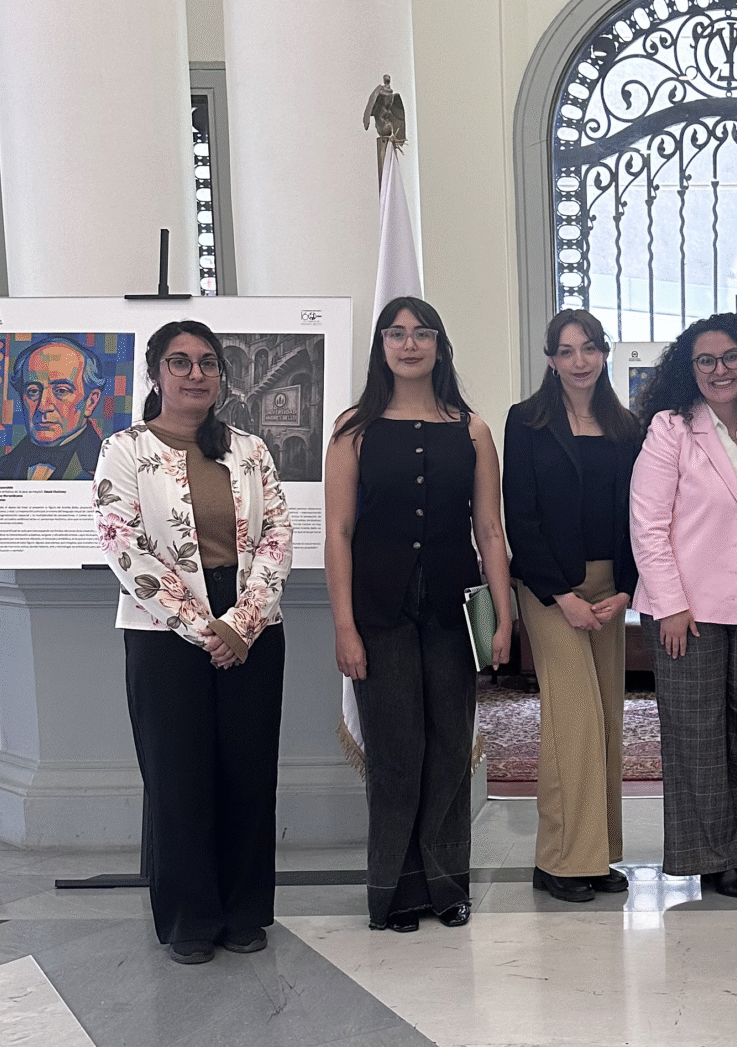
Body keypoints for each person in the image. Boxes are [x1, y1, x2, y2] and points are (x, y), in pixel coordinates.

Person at [92, 320, 291, 965]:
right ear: (156, 373)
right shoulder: (124, 450)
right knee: (178, 776)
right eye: (179, 363)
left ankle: (242, 914)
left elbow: (276, 537)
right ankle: (188, 920)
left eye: (207, 362)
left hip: (252, 627)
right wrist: (205, 628)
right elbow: (124, 545)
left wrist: (244, 622)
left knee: (248, 772)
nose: (195, 374)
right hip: (164, 634)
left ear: (222, 376)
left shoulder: (250, 450)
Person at [325, 297, 511, 933]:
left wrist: (504, 618)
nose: (409, 345)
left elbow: (489, 529)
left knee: (450, 749)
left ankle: (445, 883)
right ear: (381, 347)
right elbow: (338, 531)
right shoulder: (354, 429)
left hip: (452, 616)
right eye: (396, 334)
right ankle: (397, 891)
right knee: (396, 754)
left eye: (422, 333)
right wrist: (344, 627)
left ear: (439, 345)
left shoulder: (472, 428)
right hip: (378, 617)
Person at [629, 313, 737, 901]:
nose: (719, 370)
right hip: (687, 607)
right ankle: (712, 856)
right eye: (705, 360)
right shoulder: (671, 428)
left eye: (730, 358)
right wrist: (670, 605)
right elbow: (647, 525)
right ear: (688, 368)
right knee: (697, 732)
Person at [504, 309, 643, 902]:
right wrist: (561, 597)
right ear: (550, 359)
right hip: (548, 588)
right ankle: (560, 858)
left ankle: (597, 853)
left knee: (608, 715)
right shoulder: (526, 421)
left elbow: (640, 513)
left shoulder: (626, 425)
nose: (579, 361)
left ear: (604, 353)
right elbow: (521, 516)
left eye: (589, 349)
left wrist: (627, 591)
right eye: (566, 351)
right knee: (574, 720)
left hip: (610, 587)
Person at [0, 334, 107, 480]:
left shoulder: (110, 468)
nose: (43, 406)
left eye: (61, 391)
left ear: (90, 402)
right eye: (33, 391)